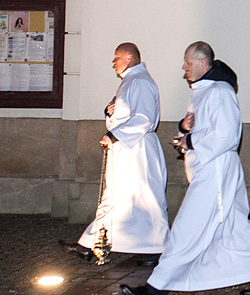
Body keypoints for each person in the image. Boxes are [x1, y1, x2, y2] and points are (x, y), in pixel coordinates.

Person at [121, 42, 250, 295]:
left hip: (215, 171)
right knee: (234, 225)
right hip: (209, 169)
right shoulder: (203, 91)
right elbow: (203, 126)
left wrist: (192, 141)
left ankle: (155, 290)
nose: (184, 68)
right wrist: (184, 129)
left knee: (187, 226)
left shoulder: (220, 91)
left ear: (203, 63)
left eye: (188, 62)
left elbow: (228, 135)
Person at [60, 43, 169, 264]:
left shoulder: (140, 82)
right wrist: (110, 112)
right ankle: (92, 244)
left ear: (129, 57)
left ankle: (156, 248)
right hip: (127, 150)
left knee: (144, 199)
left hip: (137, 151)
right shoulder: (131, 81)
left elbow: (144, 118)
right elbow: (126, 114)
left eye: (116, 57)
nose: (113, 63)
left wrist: (114, 135)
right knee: (114, 197)